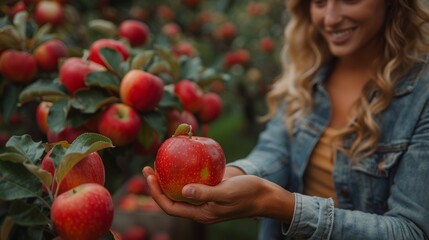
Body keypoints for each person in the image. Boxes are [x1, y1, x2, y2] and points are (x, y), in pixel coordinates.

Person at [143, 0, 429, 239]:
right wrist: (232, 176)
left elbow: (413, 230)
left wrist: (280, 205)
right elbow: (276, 151)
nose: (330, 18)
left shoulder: (422, 96)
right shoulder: (307, 72)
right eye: (318, 2)